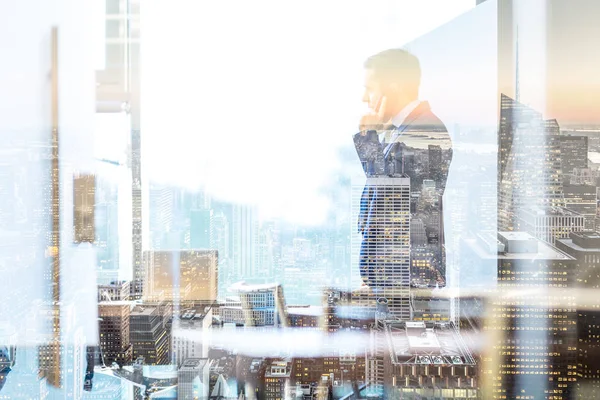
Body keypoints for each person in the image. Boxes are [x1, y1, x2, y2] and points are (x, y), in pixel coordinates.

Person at [354, 49, 452, 295]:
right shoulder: (405, 128)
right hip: (395, 278)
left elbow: (394, 200)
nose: (365, 98)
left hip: (404, 280)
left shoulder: (423, 130)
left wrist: (369, 141)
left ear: (393, 88)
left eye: (370, 88)